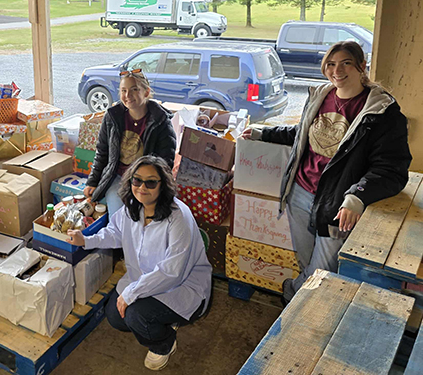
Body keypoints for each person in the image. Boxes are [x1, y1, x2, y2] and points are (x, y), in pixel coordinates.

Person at [241, 41, 412, 304]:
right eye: (330, 64)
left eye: (346, 63)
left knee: (323, 271)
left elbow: (392, 168)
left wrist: (357, 196)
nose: (337, 71)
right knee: (305, 260)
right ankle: (297, 296)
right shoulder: (321, 95)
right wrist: (264, 133)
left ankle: (297, 303)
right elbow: (303, 134)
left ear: (361, 66)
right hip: (299, 193)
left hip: (336, 204)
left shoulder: (381, 112)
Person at [68, 155, 211, 371]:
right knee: (116, 317)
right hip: (145, 279)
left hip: (181, 287)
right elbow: (115, 233)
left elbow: (172, 272)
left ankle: (165, 343)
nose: (142, 187)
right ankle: (161, 319)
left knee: (136, 316)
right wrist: (86, 240)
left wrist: (131, 293)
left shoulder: (177, 216)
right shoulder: (133, 207)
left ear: (163, 186)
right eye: (137, 180)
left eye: (151, 182)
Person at [83, 68, 177, 214]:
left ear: (146, 92)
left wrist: (146, 185)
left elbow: (166, 162)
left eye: (134, 90)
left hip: (145, 180)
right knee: (118, 217)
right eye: (123, 90)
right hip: (118, 177)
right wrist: (92, 182)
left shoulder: (160, 121)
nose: (128, 95)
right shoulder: (112, 117)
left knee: (144, 214)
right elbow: (102, 152)